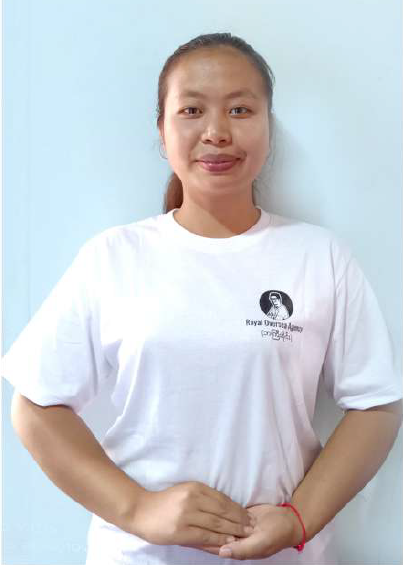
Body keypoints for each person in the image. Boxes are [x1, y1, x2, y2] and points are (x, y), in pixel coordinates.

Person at [2, 32, 403, 565]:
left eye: (240, 109)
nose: (216, 132)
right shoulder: (113, 256)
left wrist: (298, 518)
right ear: (162, 130)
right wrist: (137, 509)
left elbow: (376, 404)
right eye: (192, 110)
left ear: (268, 126)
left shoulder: (319, 256)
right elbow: (35, 405)